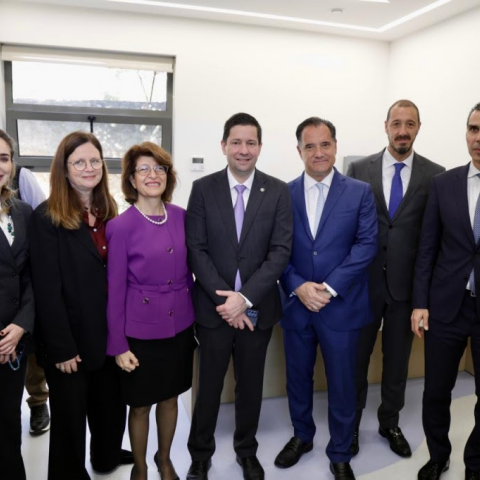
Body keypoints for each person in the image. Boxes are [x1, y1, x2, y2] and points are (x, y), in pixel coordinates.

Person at [185, 112, 292, 480]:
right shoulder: (203, 189)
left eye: (251, 142)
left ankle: (246, 451)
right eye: (236, 142)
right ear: (223, 145)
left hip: (256, 310)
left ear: (259, 147)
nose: (243, 150)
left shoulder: (277, 191)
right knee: (209, 387)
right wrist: (226, 303)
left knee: (250, 387)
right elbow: (196, 248)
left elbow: (280, 251)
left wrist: (243, 299)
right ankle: (200, 454)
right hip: (213, 311)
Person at [275, 117, 377, 480]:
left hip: (342, 306)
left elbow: (366, 246)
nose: (318, 152)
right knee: (297, 379)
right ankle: (302, 436)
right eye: (310, 146)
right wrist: (298, 285)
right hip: (297, 305)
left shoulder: (360, 192)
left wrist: (329, 287)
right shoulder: (283, 194)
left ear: (335, 146)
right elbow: (276, 248)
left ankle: (340, 451)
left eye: (325, 144)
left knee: (343, 383)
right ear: (299, 150)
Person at [28, 131, 133, 480]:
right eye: (79, 162)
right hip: (69, 340)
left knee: (110, 408)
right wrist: (61, 347)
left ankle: (105, 456)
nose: (89, 168)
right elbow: (46, 290)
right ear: (64, 168)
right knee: (70, 421)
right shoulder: (46, 217)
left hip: (107, 334)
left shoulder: (108, 211)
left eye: (94, 161)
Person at [346, 100, 444, 456]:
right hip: (363, 286)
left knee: (397, 362)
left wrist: (424, 298)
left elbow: (432, 238)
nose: (403, 131)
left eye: (410, 124)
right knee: (356, 361)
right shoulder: (358, 169)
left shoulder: (435, 175)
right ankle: (349, 426)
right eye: (396, 123)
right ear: (385, 126)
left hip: (407, 289)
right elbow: (347, 228)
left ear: (418, 128)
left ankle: (389, 422)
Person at [106, 142, 195, 480]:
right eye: (143, 169)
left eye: (159, 168)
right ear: (131, 179)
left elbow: (191, 273)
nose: (152, 174)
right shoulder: (120, 226)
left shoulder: (182, 217)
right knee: (141, 404)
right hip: (139, 332)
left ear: (168, 176)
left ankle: (164, 458)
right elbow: (115, 291)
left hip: (180, 326)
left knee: (170, 398)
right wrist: (118, 346)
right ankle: (140, 466)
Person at [412, 103, 480, 480]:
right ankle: (438, 455)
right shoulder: (444, 183)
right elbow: (428, 247)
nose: (478, 138)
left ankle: (476, 463)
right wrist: (420, 302)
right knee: (436, 391)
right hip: (446, 306)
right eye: (473, 129)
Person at [5, 137, 50, 437]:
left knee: (32, 358)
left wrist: (23, 319)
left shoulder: (24, 181)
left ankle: (37, 402)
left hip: (22, 302)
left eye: (3, 157)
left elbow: (39, 223)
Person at [0, 129, 34, 480]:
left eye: (4, 158)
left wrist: (21, 325)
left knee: (9, 422)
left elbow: (31, 276)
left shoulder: (22, 212)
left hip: (15, 341)